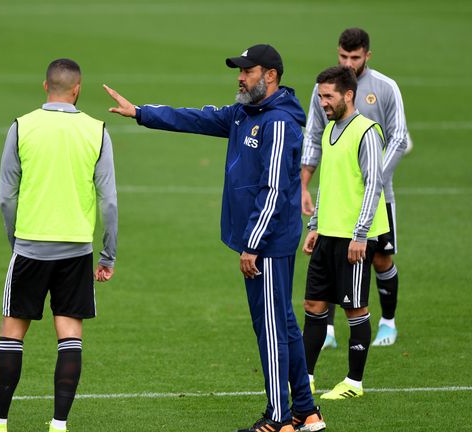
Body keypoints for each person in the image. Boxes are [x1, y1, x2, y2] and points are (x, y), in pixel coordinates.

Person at [105, 45, 324, 432]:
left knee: (271, 329)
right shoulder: (245, 113)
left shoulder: (278, 123)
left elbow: (274, 190)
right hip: (263, 240)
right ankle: (305, 411)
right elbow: (196, 118)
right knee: (285, 325)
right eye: (239, 71)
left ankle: (278, 418)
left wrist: (252, 244)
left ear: (270, 76)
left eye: (248, 71)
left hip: (268, 243)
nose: (240, 77)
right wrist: (141, 113)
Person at [0, 58, 118, 432]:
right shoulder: (97, 130)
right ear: (77, 89)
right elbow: (109, 202)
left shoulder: (21, 126)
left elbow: (6, 196)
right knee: (69, 336)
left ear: (45, 87)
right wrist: (108, 254)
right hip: (77, 251)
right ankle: (58, 425)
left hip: (30, 247)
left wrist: (15, 239)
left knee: (12, 333)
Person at [301, 28, 407, 348]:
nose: (348, 63)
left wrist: (372, 177)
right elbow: (314, 135)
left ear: (367, 56)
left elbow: (399, 138)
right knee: (332, 257)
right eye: (343, 56)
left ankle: (388, 322)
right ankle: (328, 330)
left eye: (355, 57)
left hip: (377, 195)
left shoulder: (385, 87)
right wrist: (304, 184)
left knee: (380, 260)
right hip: (337, 199)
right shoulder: (325, 89)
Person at [301, 65, 390, 400]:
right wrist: (315, 226)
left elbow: (373, 185)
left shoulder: (366, 132)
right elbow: (328, 183)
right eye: (320, 96)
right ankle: (305, 378)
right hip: (329, 233)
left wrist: (361, 235)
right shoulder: (329, 130)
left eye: (328, 96)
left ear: (348, 95)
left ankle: (354, 383)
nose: (322, 102)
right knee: (313, 304)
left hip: (354, 238)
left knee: (354, 308)